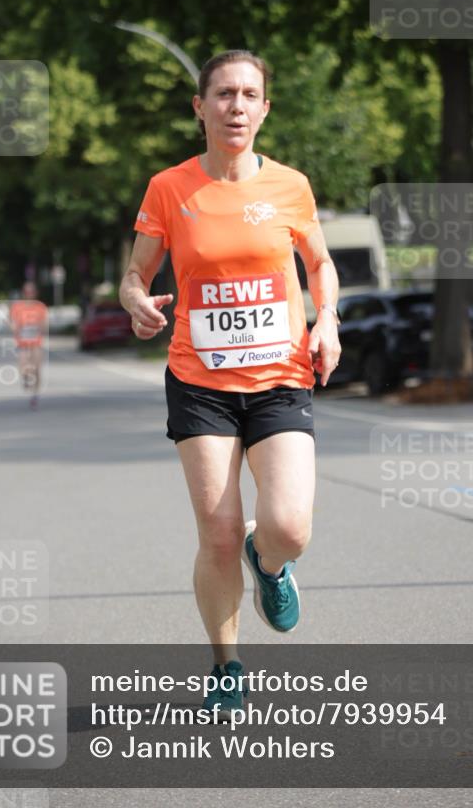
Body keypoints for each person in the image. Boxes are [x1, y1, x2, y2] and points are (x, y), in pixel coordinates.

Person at [119, 50, 341, 718]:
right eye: (223, 94)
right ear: (200, 107)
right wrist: (136, 301)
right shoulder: (169, 188)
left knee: (289, 527)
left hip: (280, 377)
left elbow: (319, 262)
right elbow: (134, 274)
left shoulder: (291, 186)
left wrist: (327, 318)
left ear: (264, 109)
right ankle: (226, 666)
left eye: (249, 95)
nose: (236, 106)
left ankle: (267, 562)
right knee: (215, 534)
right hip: (199, 381)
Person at [9, 282, 48, 409]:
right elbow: (13, 322)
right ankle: (26, 378)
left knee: (36, 369)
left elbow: (44, 324)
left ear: (35, 293)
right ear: (23, 293)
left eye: (31, 291)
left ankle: (35, 395)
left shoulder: (40, 307)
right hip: (22, 343)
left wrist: (40, 329)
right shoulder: (17, 307)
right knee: (24, 366)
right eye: (27, 292)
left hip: (36, 342)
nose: (29, 294)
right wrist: (15, 329)